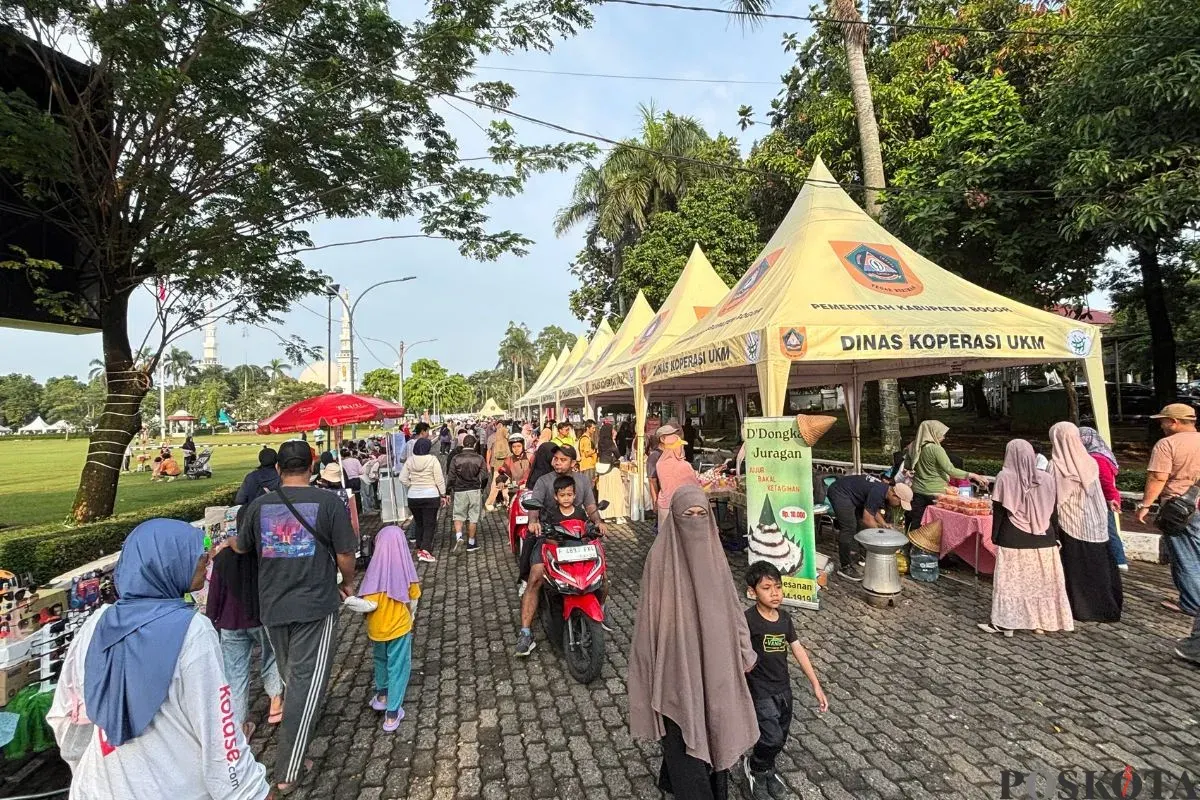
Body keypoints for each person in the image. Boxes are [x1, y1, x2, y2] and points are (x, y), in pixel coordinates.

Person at [48, 519, 270, 799]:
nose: (205, 559)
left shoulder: (96, 624)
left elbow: (67, 715)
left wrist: (84, 768)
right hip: (173, 786)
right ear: (168, 561)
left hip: (97, 786)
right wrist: (250, 791)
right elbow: (218, 727)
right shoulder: (192, 631)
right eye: (196, 552)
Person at [231, 440, 357, 795]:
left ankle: (297, 746)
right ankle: (288, 768)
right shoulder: (328, 503)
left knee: (294, 677)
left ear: (278, 469)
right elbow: (346, 552)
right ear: (311, 464)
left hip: (273, 605)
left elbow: (241, 547)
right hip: (315, 604)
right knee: (304, 683)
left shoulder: (259, 506)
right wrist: (348, 582)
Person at [628, 487, 760, 800]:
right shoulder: (659, 560)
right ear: (674, 518)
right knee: (683, 728)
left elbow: (731, 606)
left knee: (715, 725)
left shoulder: (716, 556)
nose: (696, 521)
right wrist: (647, 674)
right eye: (688, 515)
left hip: (716, 664)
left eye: (702, 514)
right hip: (677, 668)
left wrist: (744, 650)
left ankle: (679, 779)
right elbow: (648, 624)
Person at [742, 561, 828, 799]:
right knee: (771, 737)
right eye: (766, 588)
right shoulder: (747, 621)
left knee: (781, 735)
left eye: (778, 587)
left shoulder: (785, 619)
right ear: (752, 591)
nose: (774, 593)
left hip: (783, 689)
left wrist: (816, 685)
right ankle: (756, 768)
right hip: (760, 690)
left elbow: (798, 649)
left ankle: (767, 767)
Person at [515, 445, 608, 656]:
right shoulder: (543, 481)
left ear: (573, 463)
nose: (557, 463)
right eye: (555, 459)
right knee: (536, 577)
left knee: (602, 575)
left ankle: (601, 609)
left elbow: (591, 506)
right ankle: (526, 632)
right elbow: (534, 506)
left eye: (563, 460)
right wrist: (533, 522)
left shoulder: (583, 480)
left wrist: (598, 522)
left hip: (580, 538)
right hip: (550, 538)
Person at [978, 440, 1074, 637]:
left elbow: (1000, 512)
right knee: (1042, 582)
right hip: (1044, 537)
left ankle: (1007, 623)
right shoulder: (1046, 479)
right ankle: (1042, 621)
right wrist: (1055, 536)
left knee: (1011, 583)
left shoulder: (1005, 477)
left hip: (1012, 537)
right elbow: (1052, 512)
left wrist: (995, 537)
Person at [206, 507, 284, 739]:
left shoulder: (222, 558)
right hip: (262, 617)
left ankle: (239, 725)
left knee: (235, 673)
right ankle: (276, 702)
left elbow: (215, 594)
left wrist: (212, 620)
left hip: (230, 622)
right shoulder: (267, 553)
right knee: (271, 657)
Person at [1135, 403, 1200, 664]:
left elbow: (1157, 478)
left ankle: (1192, 604)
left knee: (1185, 561)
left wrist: (1145, 505)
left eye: (1163, 421)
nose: (1161, 425)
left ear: (1173, 421)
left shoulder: (1167, 445)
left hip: (1179, 509)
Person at [1050, 421, 1122, 623]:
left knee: (1076, 568)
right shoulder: (1090, 461)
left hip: (1070, 522)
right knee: (1099, 566)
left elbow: (1054, 497)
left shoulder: (1057, 465)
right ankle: (1106, 607)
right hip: (1095, 522)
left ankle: (1080, 609)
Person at [358, 525, 421, 732]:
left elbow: (366, 603)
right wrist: (411, 616)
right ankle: (392, 714)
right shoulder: (405, 569)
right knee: (399, 666)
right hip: (399, 628)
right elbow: (414, 596)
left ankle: (382, 696)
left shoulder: (372, 573)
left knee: (380, 661)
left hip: (376, 629)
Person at [825, 474, 914, 581]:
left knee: (857, 526)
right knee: (849, 527)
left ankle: (854, 555)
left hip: (851, 493)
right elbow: (867, 520)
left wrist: (883, 523)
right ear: (894, 495)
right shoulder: (878, 492)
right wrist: (882, 535)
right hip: (840, 492)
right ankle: (845, 567)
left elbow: (872, 508)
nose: (899, 505)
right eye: (900, 502)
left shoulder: (883, 490)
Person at [907, 420, 987, 529]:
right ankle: (932, 545)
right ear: (933, 432)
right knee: (935, 524)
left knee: (917, 520)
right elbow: (950, 470)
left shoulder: (913, 447)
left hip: (917, 490)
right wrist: (974, 475)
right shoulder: (936, 449)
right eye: (942, 434)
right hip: (935, 492)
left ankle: (912, 544)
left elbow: (908, 465)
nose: (944, 437)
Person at [1079, 426, 1128, 572]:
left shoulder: (1096, 458)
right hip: (1104, 498)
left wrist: (1111, 498)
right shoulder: (1101, 454)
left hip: (1103, 500)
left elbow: (1105, 481)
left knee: (1109, 529)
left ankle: (1118, 559)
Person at [399, 438, 446, 563]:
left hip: (414, 496)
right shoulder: (432, 460)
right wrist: (443, 494)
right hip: (431, 494)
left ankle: (419, 546)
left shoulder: (410, 461)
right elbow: (439, 479)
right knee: (429, 524)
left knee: (419, 523)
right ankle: (425, 550)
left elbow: (402, 478)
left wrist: (412, 485)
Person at [447, 435, 487, 552]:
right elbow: (484, 476)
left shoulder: (456, 458)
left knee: (458, 515)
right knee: (473, 517)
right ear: (474, 445)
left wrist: (448, 491)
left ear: (463, 444)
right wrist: (481, 487)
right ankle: (471, 543)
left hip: (459, 490)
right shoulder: (479, 458)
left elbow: (451, 476)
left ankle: (459, 536)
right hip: (474, 490)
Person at [653, 425, 701, 514]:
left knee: (665, 528)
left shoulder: (660, 464)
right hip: (682, 506)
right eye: (680, 446)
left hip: (664, 506)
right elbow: (695, 487)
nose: (682, 449)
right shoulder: (685, 466)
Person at [596, 420, 628, 521]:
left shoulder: (600, 442)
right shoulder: (610, 443)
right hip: (612, 469)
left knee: (605, 492)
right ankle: (618, 515)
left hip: (602, 470)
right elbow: (618, 455)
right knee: (616, 492)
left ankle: (606, 515)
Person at [484, 422, 512, 511]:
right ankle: (489, 503)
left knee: (505, 484)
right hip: (500, 465)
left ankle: (506, 502)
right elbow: (489, 451)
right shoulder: (498, 438)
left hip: (502, 465)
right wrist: (487, 464)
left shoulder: (503, 438)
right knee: (496, 485)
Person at [577, 419, 599, 493]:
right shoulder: (586, 439)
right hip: (587, 466)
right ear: (587, 428)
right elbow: (587, 454)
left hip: (587, 465)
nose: (594, 430)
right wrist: (595, 451)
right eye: (593, 428)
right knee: (589, 487)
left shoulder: (585, 438)